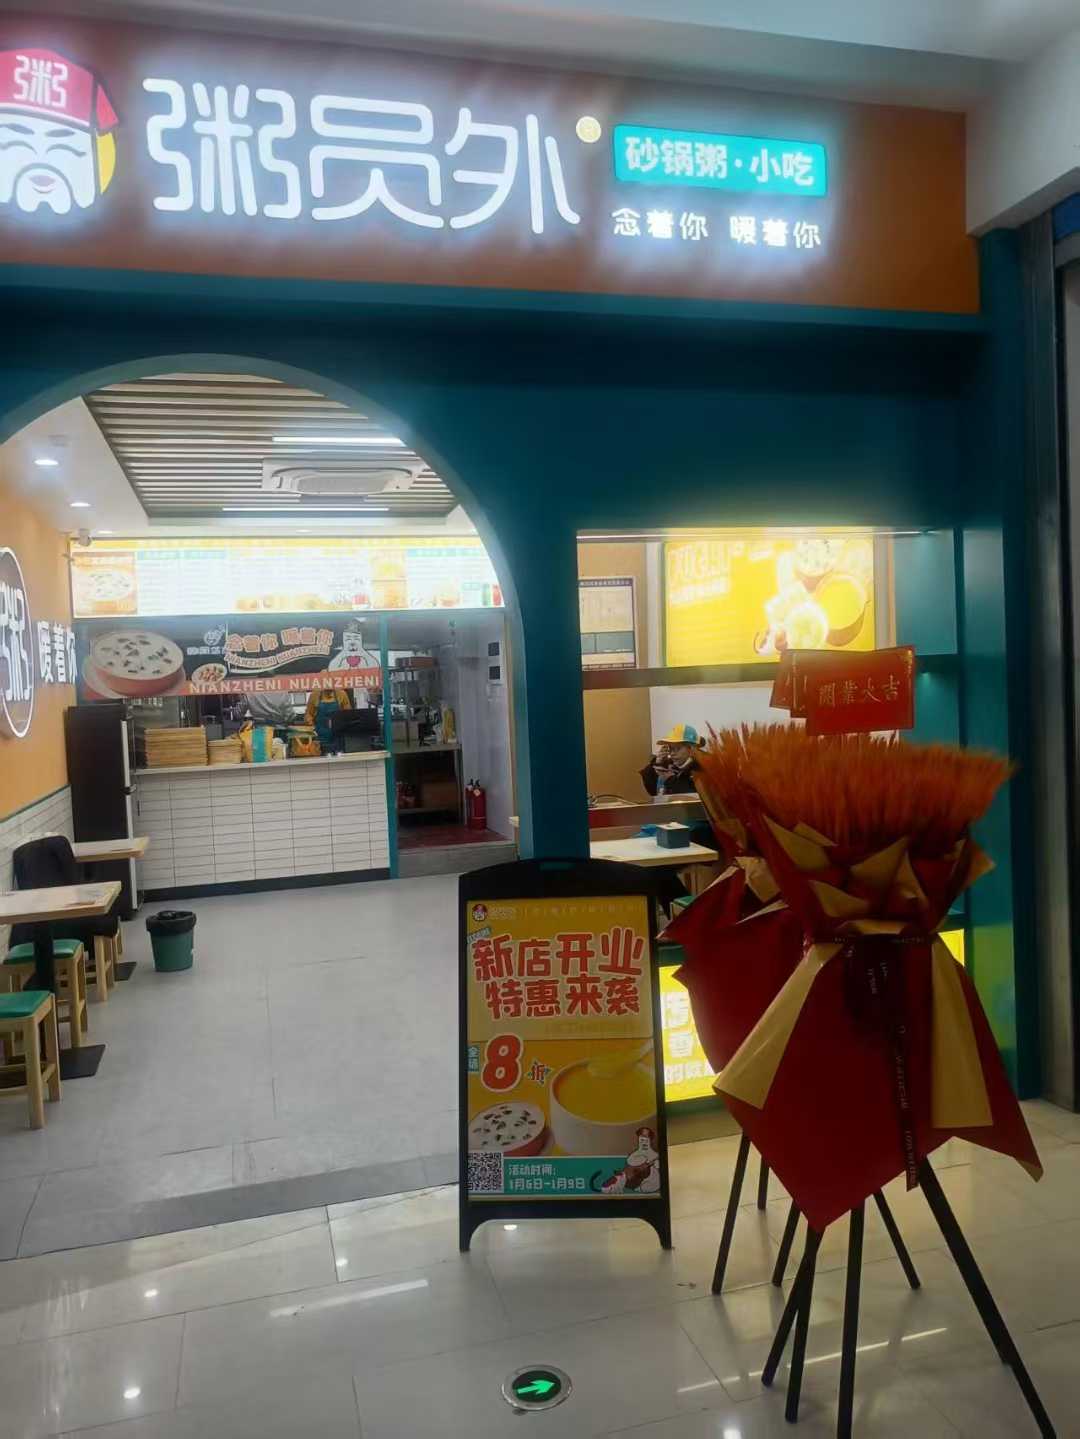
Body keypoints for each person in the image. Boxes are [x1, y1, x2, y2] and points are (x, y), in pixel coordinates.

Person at [640, 724, 702, 797]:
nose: (672, 753)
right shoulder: (670, 766)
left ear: (691, 749)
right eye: (671, 748)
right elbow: (653, 791)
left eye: (678, 748)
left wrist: (669, 780)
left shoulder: (701, 770)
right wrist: (656, 763)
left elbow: (693, 797)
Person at [304, 685, 354, 751]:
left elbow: (348, 714)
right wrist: (311, 726)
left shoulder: (342, 694)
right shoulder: (314, 695)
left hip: (338, 736)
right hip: (320, 734)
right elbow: (308, 714)